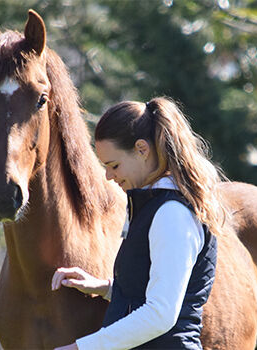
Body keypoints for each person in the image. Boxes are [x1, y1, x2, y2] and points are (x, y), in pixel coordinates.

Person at [52, 96, 225, 350]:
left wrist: (81, 348)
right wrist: (104, 288)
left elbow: (161, 314)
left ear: (142, 150)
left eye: (114, 165)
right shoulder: (151, 206)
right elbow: (150, 290)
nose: (109, 176)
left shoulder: (172, 214)